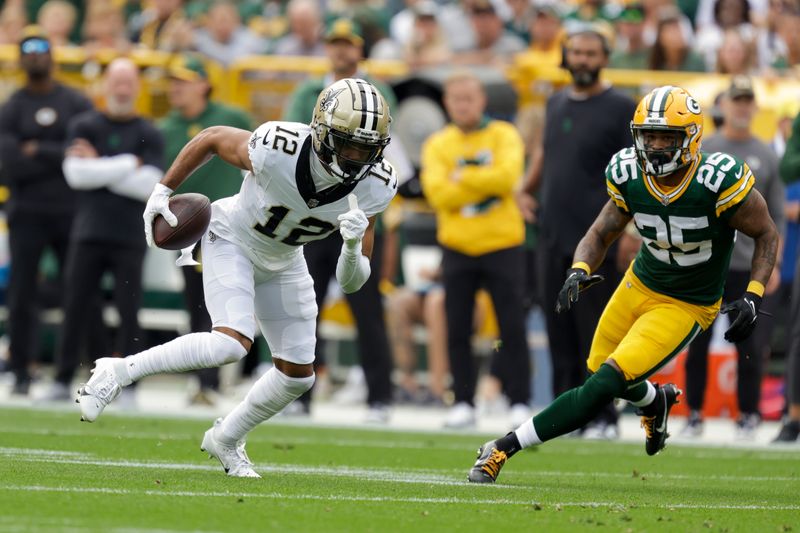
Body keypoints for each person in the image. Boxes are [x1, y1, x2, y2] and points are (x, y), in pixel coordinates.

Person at [77, 78, 398, 478]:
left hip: (285, 258)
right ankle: (117, 371)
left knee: (299, 376)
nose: (356, 157)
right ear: (320, 131)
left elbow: (352, 282)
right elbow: (211, 138)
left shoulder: (376, 185)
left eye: (367, 149)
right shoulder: (278, 147)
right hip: (233, 236)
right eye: (349, 144)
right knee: (230, 343)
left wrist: (352, 247)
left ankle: (226, 438)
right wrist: (162, 191)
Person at [467, 85, 780, 483]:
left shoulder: (717, 179)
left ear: (691, 138)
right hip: (640, 282)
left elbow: (767, 233)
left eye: (667, 137)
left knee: (602, 385)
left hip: (686, 302)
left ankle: (502, 447)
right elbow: (601, 232)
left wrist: (752, 294)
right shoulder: (628, 172)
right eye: (649, 136)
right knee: (599, 368)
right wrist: (580, 267)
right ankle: (655, 400)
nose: (656, 146)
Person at [516, 27, 637, 439]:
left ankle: (603, 418)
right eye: (576, 52)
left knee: (597, 333)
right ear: (565, 56)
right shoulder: (554, 102)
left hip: (598, 240)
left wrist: (633, 229)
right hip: (551, 232)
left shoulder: (621, 106)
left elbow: (637, 171)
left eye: (590, 53)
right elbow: (546, 154)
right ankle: (562, 417)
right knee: (558, 329)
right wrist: (523, 188)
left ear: (604, 57)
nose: (582, 59)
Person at [282, 18, 401, 421]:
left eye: (347, 44)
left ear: (360, 49)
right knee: (302, 304)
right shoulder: (308, 92)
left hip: (358, 213)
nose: (340, 51)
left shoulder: (378, 92)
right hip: (314, 214)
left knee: (368, 309)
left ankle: (380, 397)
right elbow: (297, 144)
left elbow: (387, 150)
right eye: (334, 43)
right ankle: (296, 396)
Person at [39, 59, 166, 401]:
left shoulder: (150, 131)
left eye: (128, 82)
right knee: (75, 305)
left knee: (129, 311)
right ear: (105, 86)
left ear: (137, 87)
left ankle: (128, 386)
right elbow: (76, 175)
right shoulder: (85, 124)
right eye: (116, 82)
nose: (122, 89)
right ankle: (62, 379)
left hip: (129, 235)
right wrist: (128, 163)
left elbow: (149, 186)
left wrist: (99, 164)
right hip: (88, 231)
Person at [420, 70, 530, 429]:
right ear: (446, 103)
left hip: (502, 243)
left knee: (511, 326)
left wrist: (462, 178)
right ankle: (463, 401)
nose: (463, 106)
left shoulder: (504, 134)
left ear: (482, 100)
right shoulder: (438, 144)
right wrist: (485, 185)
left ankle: (518, 399)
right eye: (456, 99)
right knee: (458, 328)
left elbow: (508, 177)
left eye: (469, 99)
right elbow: (438, 194)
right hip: (458, 246)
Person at [681, 76, 785, 440]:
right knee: (694, 339)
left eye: (747, 100)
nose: (741, 107)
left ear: (755, 107)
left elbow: (777, 218)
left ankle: (749, 414)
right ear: (723, 105)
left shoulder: (766, 153)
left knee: (750, 344)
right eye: (736, 100)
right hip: (707, 262)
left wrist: (773, 265)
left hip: (747, 264)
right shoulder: (705, 147)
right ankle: (693, 411)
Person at [0, 28, 93, 395]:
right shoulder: (11, 107)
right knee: (22, 292)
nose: (35, 56)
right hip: (26, 212)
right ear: (21, 59)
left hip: (71, 211)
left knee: (78, 290)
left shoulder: (75, 101)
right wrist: (55, 155)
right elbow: (9, 164)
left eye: (42, 50)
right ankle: (21, 370)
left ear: (52, 57)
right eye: (28, 51)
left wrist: (35, 149)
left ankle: (70, 371)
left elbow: (83, 151)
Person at [158, 54, 252, 405]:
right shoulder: (167, 127)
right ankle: (203, 381)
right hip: (187, 230)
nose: (176, 88)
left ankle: (222, 379)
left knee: (231, 304)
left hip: (230, 227)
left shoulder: (230, 119)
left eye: (184, 81)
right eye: (174, 81)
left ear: (204, 84)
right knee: (196, 303)